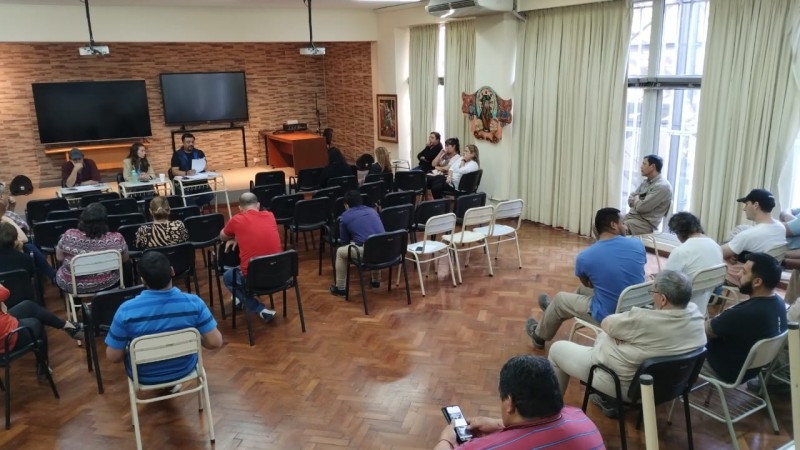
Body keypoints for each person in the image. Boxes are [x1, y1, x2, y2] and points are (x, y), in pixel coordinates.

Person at [548, 270, 706, 417]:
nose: (652, 296)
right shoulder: (696, 315)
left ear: (663, 299)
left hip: (622, 385)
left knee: (556, 350)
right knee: (606, 337)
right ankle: (607, 401)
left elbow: (606, 322)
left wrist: (620, 336)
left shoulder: (643, 319)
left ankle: (550, 415)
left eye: (653, 292)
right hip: (670, 387)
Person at [526, 208, 646, 349]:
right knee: (582, 290)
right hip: (634, 309)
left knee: (560, 300)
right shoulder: (638, 245)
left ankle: (538, 336)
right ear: (613, 225)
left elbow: (589, 284)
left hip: (610, 315)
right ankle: (553, 312)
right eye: (623, 223)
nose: (626, 227)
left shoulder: (585, 257)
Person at [433, 355, 603, 450]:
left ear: (510, 403)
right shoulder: (581, 418)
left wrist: (446, 441)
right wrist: (500, 425)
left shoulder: (484, 447)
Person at [105, 251, 223, 385]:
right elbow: (215, 342)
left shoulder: (125, 310)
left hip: (143, 376)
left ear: (142, 280)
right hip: (184, 369)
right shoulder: (194, 303)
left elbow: (113, 356)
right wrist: (194, 340)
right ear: (172, 271)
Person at [704, 252, 787, 383]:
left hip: (724, 369)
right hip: (751, 370)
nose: (738, 275)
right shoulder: (779, 303)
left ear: (757, 282)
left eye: (743, 272)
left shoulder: (745, 313)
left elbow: (705, 331)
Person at [220, 192, 282, 322]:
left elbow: (222, 236)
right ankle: (240, 298)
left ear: (240, 208)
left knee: (227, 278)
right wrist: (238, 236)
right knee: (245, 269)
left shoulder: (237, 219)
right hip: (280, 274)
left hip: (254, 279)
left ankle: (259, 309)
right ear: (258, 205)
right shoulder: (270, 216)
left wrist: (235, 236)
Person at [0, 283, 83, 376]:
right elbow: (4, 292)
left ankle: (68, 326)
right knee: (37, 323)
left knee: (28, 306)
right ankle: (43, 367)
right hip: (7, 339)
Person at [55, 202, 129, 294]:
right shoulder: (117, 238)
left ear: (82, 219)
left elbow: (59, 257)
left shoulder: (69, 235)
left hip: (73, 286)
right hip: (107, 284)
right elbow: (125, 259)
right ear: (105, 221)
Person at [721, 189, 786, 285]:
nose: (744, 209)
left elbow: (718, 252)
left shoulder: (749, 235)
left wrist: (728, 255)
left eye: (747, 204)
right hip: (767, 275)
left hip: (749, 278)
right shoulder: (780, 227)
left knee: (708, 260)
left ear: (756, 205)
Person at [664, 212, 724, 312]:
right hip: (701, 308)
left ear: (678, 232)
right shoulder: (716, 246)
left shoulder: (681, 251)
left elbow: (665, 284)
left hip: (678, 308)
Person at [330, 190, 385, 297]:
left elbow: (344, 242)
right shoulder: (372, 211)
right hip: (386, 249)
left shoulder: (345, 217)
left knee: (341, 252)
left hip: (368, 252)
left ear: (346, 204)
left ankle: (340, 288)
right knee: (375, 242)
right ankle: (375, 281)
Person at [625, 154, 673, 235]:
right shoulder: (646, 182)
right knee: (600, 224)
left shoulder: (662, 186)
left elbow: (642, 207)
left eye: (644, 164)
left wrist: (636, 200)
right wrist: (638, 201)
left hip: (645, 224)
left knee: (614, 230)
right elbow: (631, 198)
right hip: (631, 217)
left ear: (652, 166)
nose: (641, 167)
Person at [170, 133, 214, 208]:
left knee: (210, 195)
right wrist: (186, 173)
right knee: (187, 199)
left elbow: (205, 165)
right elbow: (174, 171)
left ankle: (195, 207)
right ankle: (195, 210)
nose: (191, 144)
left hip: (199, 183)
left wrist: (203, 168)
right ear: (183, 143)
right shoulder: (177, 155)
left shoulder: (199, 153)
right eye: (188, 142)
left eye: (192, 142)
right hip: (184, 185)